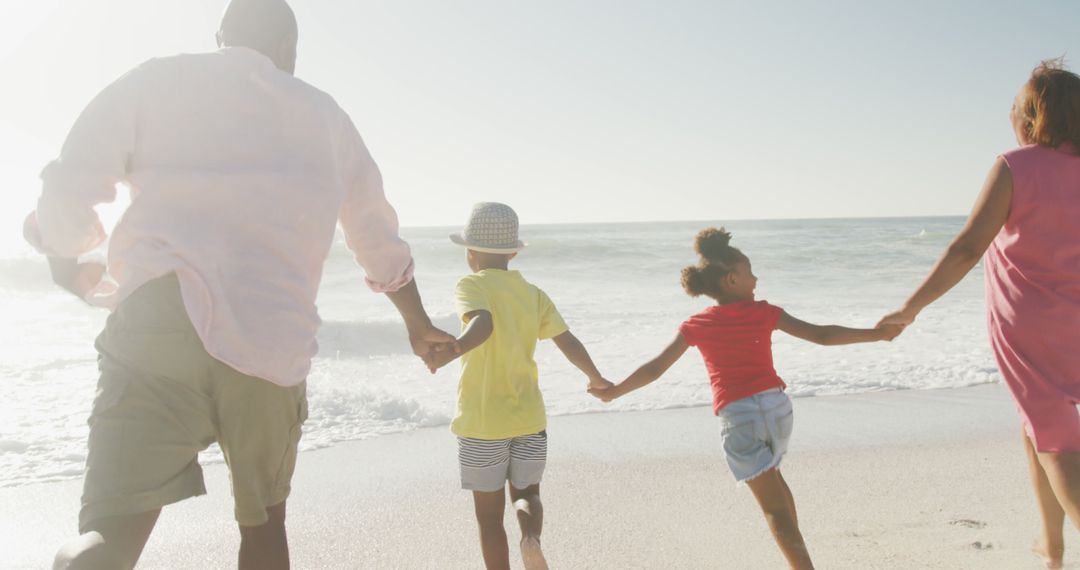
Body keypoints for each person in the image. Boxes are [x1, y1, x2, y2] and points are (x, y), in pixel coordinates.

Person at [24, 1, 455, 568]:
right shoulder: (326, 116)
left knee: (109, 529)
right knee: (264, 528)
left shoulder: (155, 79)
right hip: (267, 341)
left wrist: (62, 253)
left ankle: (83, 559)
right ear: (288, 50)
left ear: (221, 35)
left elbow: (69, 187)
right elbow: (376, 238)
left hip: (157, 318)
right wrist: (418, 326)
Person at [593, 227, 901, 570]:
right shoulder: (764, 312)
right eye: (749, 272)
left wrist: (615, 392)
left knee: (774, 509)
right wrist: (878, 335)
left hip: (741, 419)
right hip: (777, 409)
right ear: (731, 280)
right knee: (778, 488)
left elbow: (655, 369)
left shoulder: (697, 324)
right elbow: (821, 335)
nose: (756, 278)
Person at [879, 59, 1080, 570]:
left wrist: (911, 307)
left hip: (1029, 325)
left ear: (1031, 117)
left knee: (1055, 439)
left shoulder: (1015, 165)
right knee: (1036, 426)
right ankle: (1051, 547)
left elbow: (968, 247)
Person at [425, 202, 613, 570]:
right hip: (529, 418)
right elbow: (567, 340)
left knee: (489, 517)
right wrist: (596, 377)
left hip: (483, 423)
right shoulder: (533, 293)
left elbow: (483, 323)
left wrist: (455, 349)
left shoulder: (471, 284)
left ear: (471, 251)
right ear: (512, 251)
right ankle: (531, 538)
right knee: (527, 494)